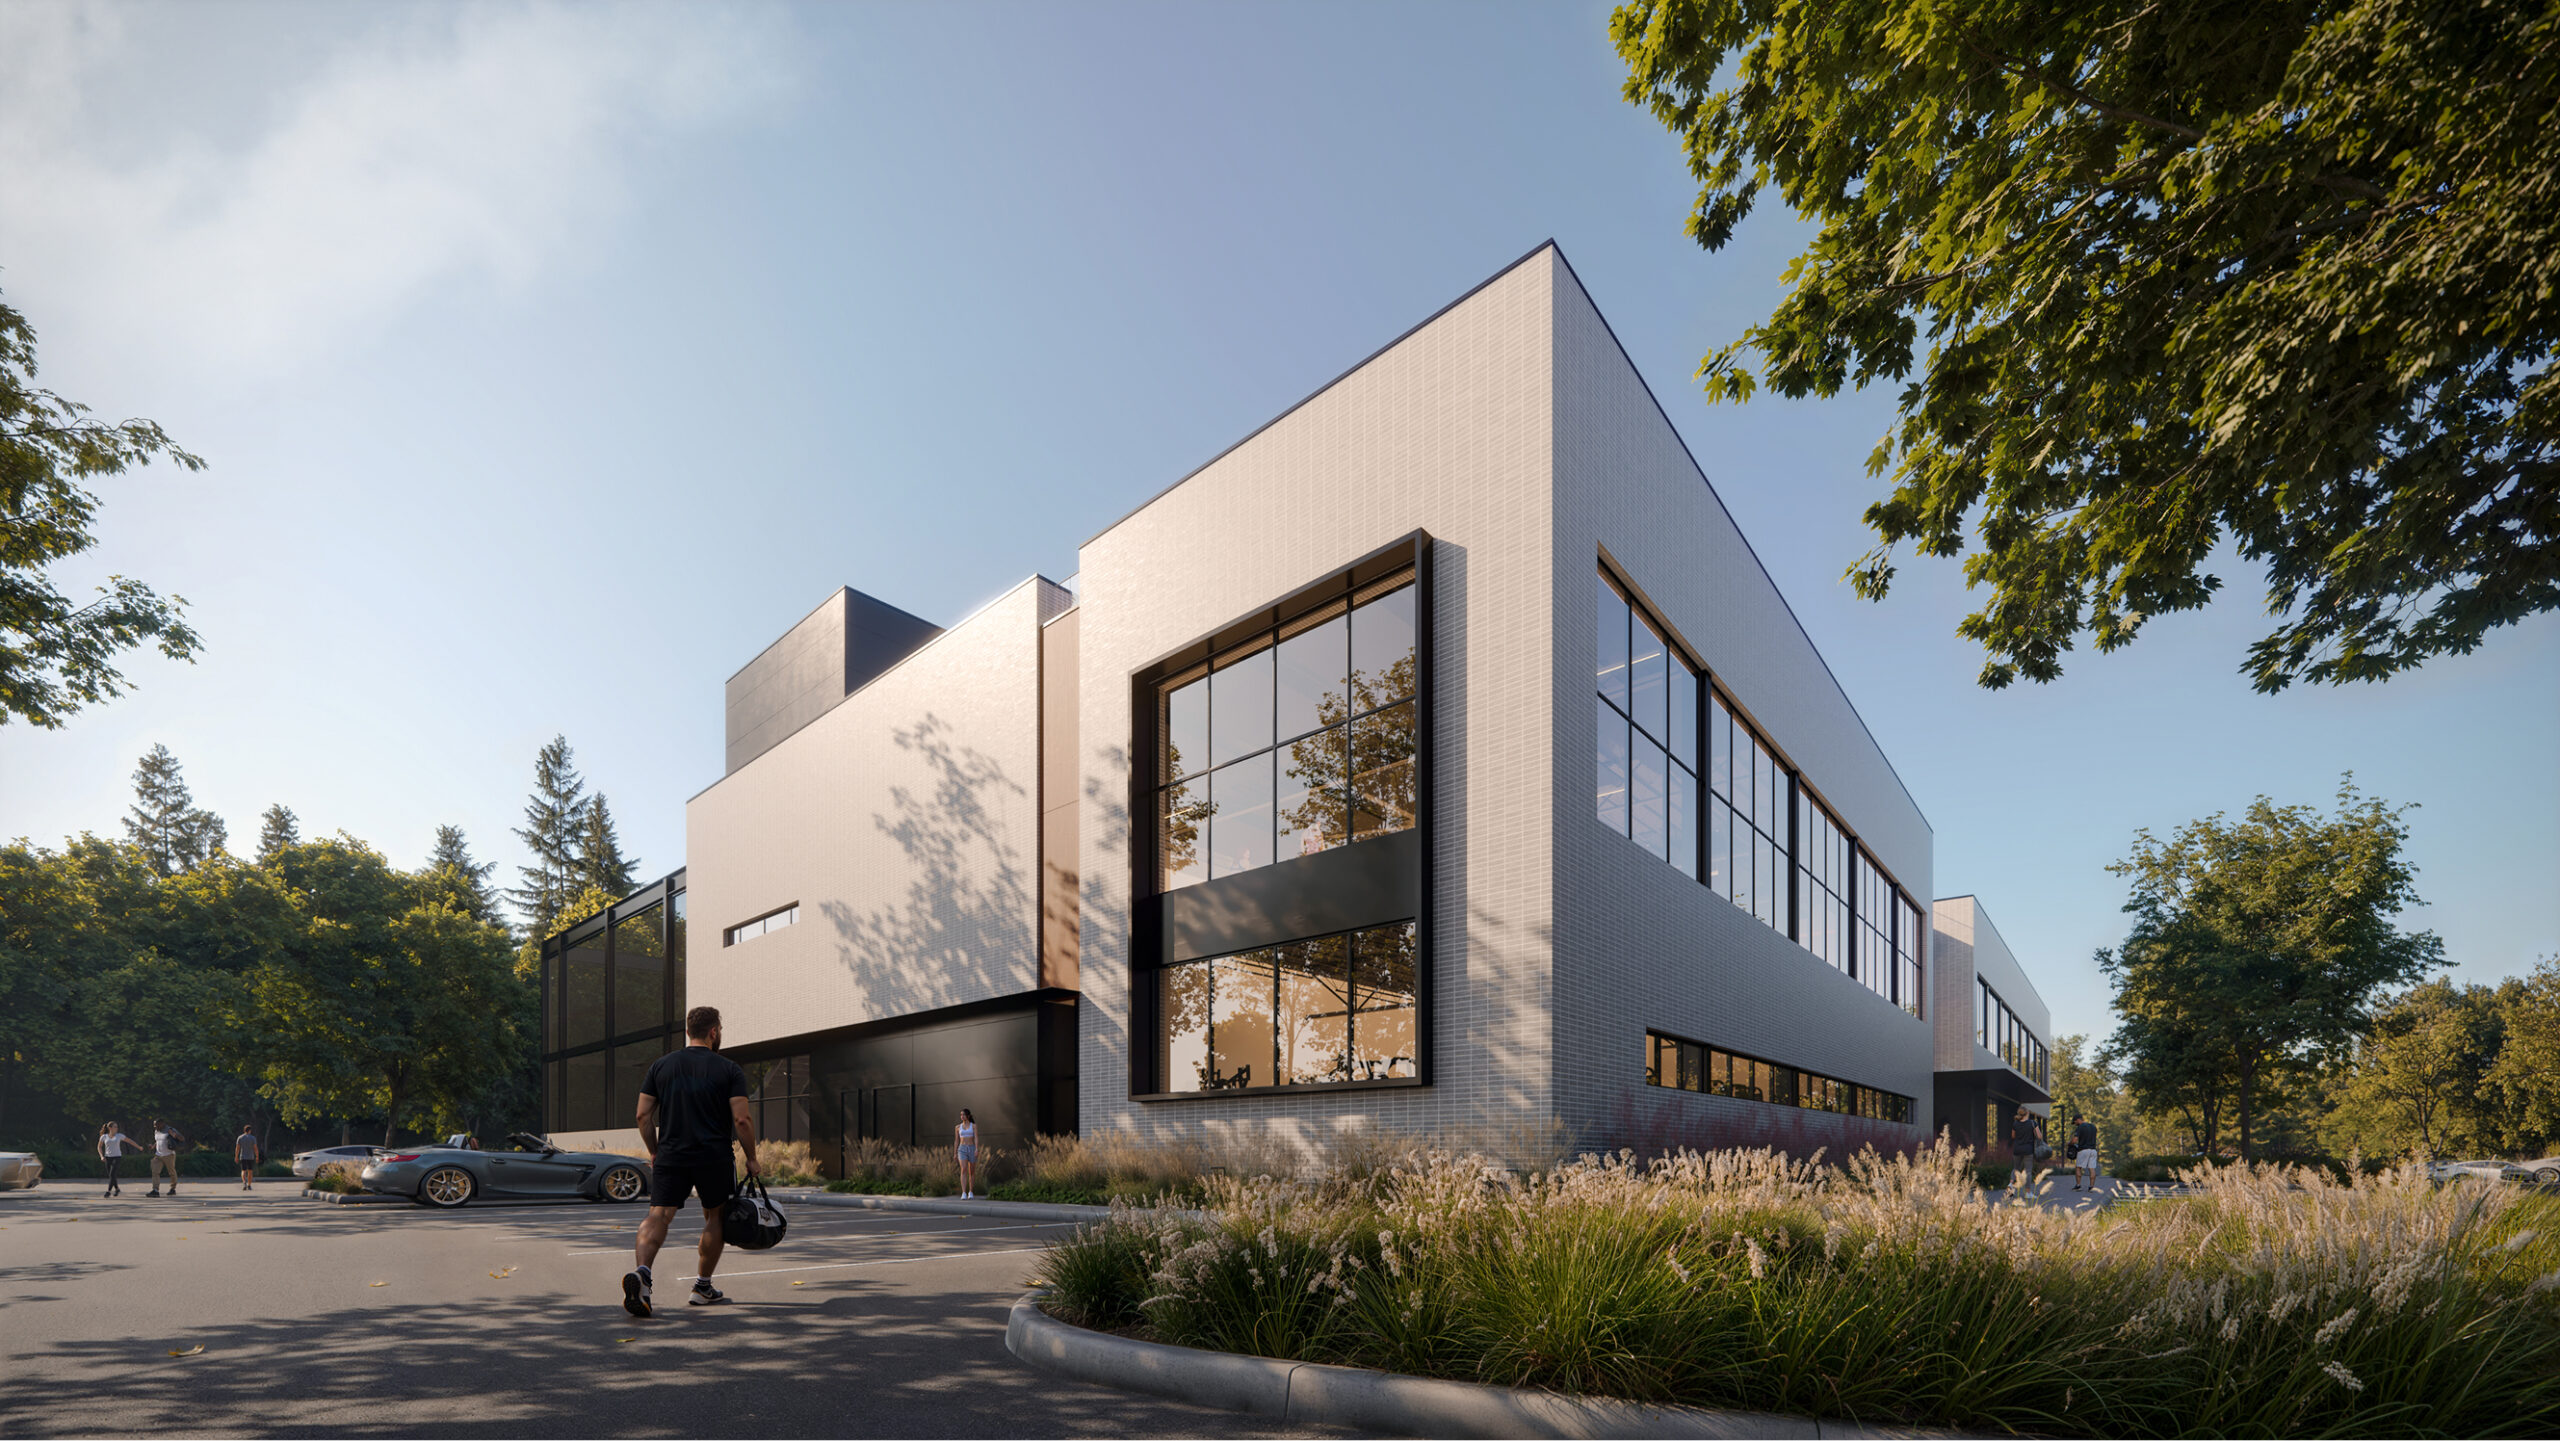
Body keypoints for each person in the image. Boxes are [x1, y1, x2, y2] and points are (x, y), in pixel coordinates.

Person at [624, 1005, 757, 1317]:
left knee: (658, 1215)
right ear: (713, 1032)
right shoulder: (729, 1069)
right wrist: (751, 1158)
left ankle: (642, 1273)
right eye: (719, 1030)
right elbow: (742, 1121)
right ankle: (702, 1287)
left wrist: (655, 1150)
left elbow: (643, 1115)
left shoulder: (661, 1066)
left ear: (687, 1032)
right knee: (715, 1218)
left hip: (672, 1155)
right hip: (714, 1156)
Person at [98, 1122, 138, 1198]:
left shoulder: (119, 1136)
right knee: (111, 1176)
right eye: (115, 1127)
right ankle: (117, 1189)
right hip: (108, 1157)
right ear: (110, 1128)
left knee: (112, 1174)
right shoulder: (104, 1137)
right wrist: (101, 1156)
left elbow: (129, 1141)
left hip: (117, 1157)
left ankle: (108, 1191)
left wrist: (138, 1147)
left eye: (117, 1127)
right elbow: (99, 1147)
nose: (117, 1128)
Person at [148, 1118, 183, 1197]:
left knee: (171, 1172)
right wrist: (153, 1146)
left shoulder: (170, 1129)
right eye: (154, 1125)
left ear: (162, 1124)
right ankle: (155, 1190)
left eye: (156, 1125)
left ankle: (172, 1189)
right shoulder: (156, 1131)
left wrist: (174, 1134)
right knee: (155, 1172)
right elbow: (157, 1141)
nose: (154, 1126)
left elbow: (182, 1138)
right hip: (158, 1155)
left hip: (169, 1155)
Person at [2009, 1106, 2042, 1188]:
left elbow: (2013, 1136)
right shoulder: (2032, 1123)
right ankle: (2028, 1192)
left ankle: (2011, 1183)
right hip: (2028, 1149)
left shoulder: (2015, 1124)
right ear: (2027, 1113)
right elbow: (2039, 1136)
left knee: (2016, 1168)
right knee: (2028, 1171)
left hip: (2017, 1149)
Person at [2071, 1113, 2100, 1192]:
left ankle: (2078, 1185)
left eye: (2075, 1122)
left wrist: (2070, 1143)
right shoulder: (2093, 1127)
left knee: (2078, 1167)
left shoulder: (2080, 1127)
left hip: (2083, 1150)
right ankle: (2091, 1187)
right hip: (2093, 1150)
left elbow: (2074, 1140)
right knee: (2092, 1168)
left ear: (2077, 1120)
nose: (2075, 1124)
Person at [954, 1109, 979, 1200]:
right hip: (962, 1149)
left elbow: (976, 1138)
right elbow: (956, 1140)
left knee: (971, 1171)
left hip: (971, 1148)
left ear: (968, 1116)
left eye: (964, 1115)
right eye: (961, 1115)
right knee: (963, 1169)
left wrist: (976, 1149)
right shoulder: (957, 1127)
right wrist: (955, 1153)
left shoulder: (973, 1126)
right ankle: (964, 1192)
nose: (962, 1116)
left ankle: (971, 1191)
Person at [234, 1124, 261, 1190]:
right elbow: (255, 1148)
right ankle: (249, 1184)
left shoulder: (240, 1137)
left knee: (243, 1171)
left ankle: (244, 1182)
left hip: (242, 1156)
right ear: (250, 1130)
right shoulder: (253, 1138)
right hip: (250, 1157)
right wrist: (257, 1156)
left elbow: (237, 1148)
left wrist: (236, 1156)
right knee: (250, 1171)